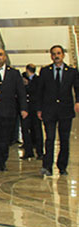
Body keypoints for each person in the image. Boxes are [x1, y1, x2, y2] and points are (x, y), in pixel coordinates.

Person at [37, 45, 79, 176]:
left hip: (65, 111)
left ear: (63, 55)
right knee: (49, 139)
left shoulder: (72, 71)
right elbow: (40, 91)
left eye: (58, 53)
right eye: (54, 54)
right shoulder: (45, 71)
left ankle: (62, 166)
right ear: (51, 56)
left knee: (64, 140)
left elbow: (77, 88)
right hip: (49, 110)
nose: (56, 56)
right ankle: (47, 166)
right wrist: (39, 109)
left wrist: (78, 101)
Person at [21, 64, 43, 160]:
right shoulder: (22, 79)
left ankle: (39, 152)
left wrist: (27, 85)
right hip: (25, 109)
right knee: (25, 131)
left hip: (35, 109)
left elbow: (38, 92)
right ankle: (28, 151)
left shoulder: (38, 80)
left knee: (37, 131)